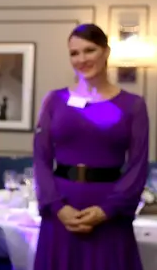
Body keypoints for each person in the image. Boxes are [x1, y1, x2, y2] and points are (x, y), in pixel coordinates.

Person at [33, 24, 148, 270]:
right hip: (62, 209)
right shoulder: (54, 101)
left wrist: (107, 210)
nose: (82, 59)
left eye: (89, 50)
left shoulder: (133, 105)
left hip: (109, 211)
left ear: (106, 52)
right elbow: (41, 159)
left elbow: (138, 166)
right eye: (74, 53)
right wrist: (57, 207)